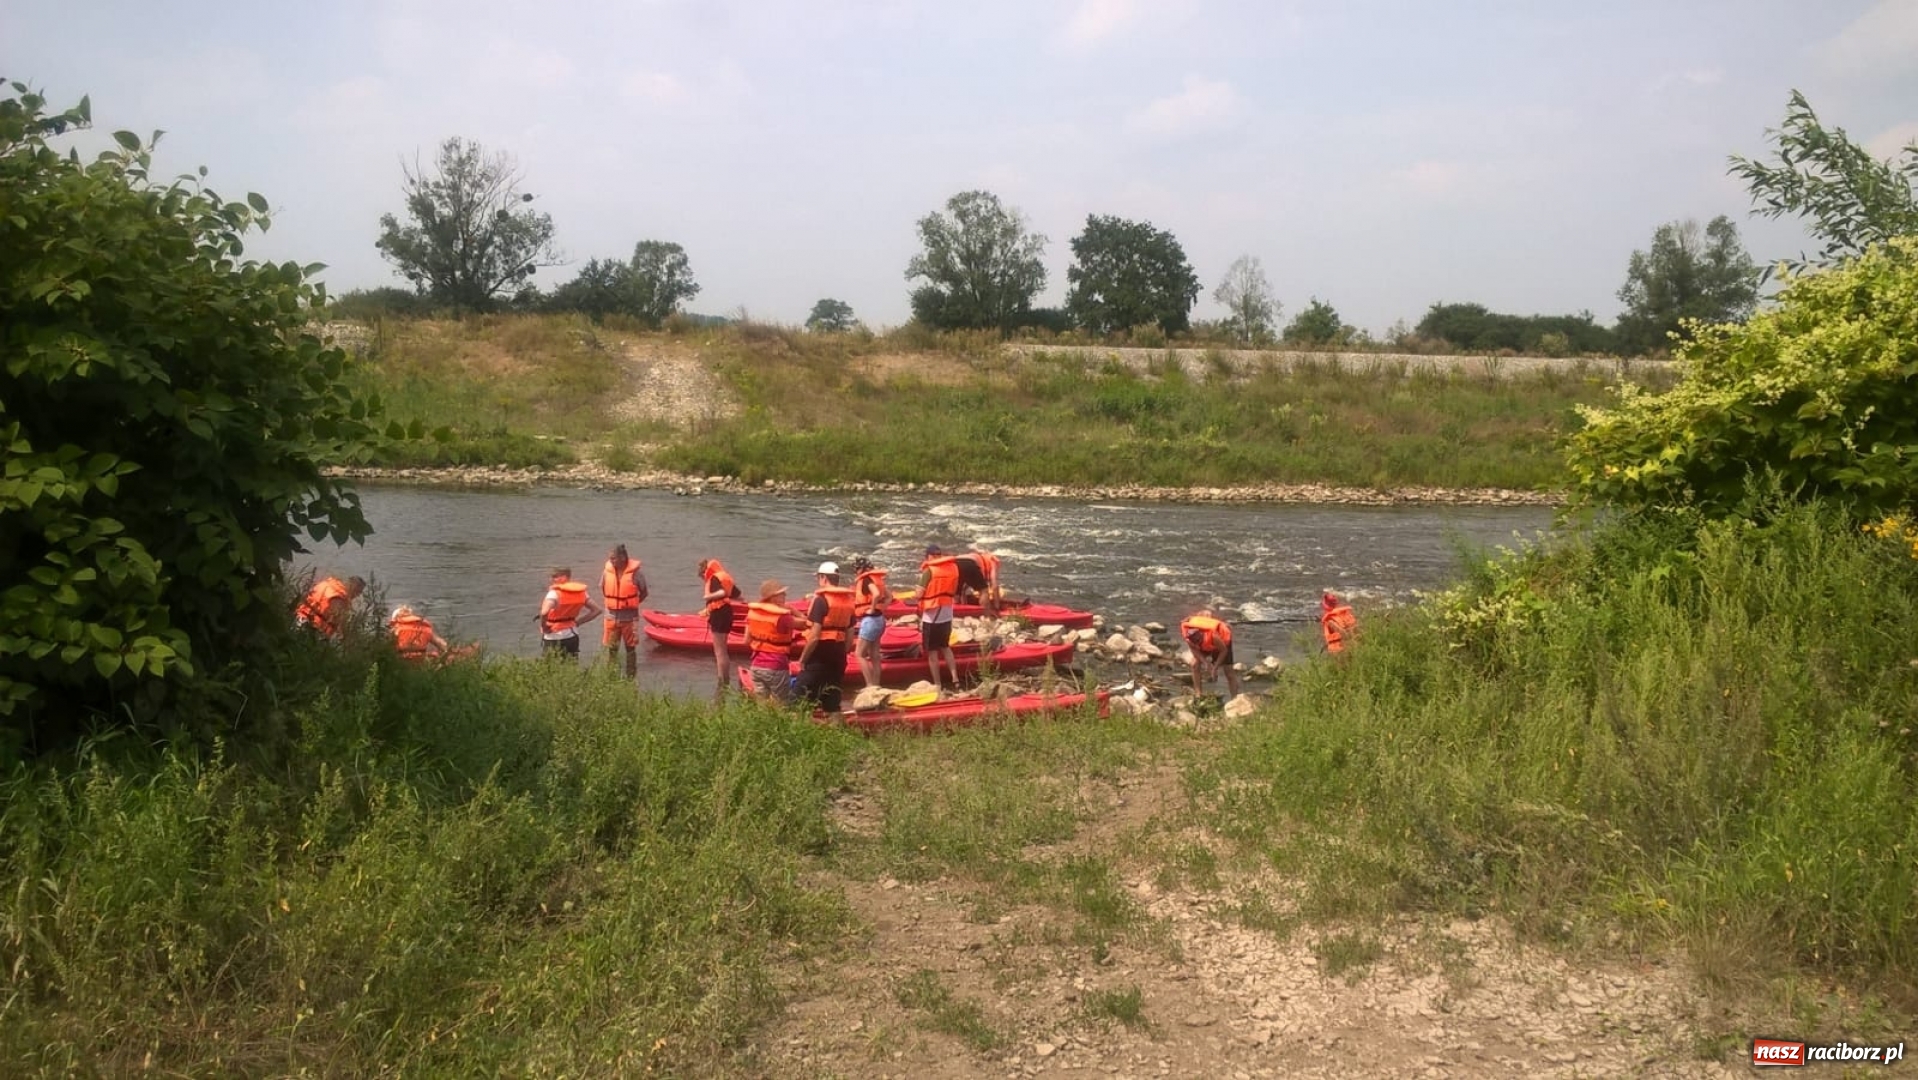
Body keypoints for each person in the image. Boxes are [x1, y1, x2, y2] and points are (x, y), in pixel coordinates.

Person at [795, 562, 855, 712]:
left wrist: (803, 659)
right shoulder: (848, 601)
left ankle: (797, 731)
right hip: (839, 655)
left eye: (819, 578)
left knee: (797, 700)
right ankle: (837, 731)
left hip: (819, 655)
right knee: (832, 703)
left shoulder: (821, 600)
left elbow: (814, 636)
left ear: (823, 578)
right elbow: (850, 636)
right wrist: (842, 654)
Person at [912, 545, 962, 697]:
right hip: (946, 612)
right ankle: (955, 680)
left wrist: (916, 595)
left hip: (931, 616)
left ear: (928, 557)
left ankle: (937, 685)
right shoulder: (952, 567)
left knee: (932, 652)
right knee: (945, 647)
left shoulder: (929, 571)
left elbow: (919, 594)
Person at [743, 580, 801, 701]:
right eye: (782, 594)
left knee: (762, 707)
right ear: (773, 598)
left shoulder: (752, 613)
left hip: (756, 666)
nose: (785, 596)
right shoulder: (783, 617)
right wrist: (793, 610)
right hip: (776, 665)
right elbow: (807, 624)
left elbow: (746, 641)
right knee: (781, 705)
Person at [600, 544, 649, 679]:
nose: (611, 561)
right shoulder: (606, 572)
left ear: (622, 558)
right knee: (612, 649)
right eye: (610, 559)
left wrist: (632, 604)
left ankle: (631, 677)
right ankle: (611, 676)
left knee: (630, 649)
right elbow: (603, 589)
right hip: (611, 617)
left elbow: (644, 592)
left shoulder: (636, 574)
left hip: (630, 618)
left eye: (614, 558)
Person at [698, 557, 742, 698]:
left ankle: (722, 681)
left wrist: (708, 596)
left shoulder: (714, 579)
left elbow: (722, 593)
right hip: (727, 612)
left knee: (719, 652)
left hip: (718, 614)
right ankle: (726, 679)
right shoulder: (724, 577)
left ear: (704, 572)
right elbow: (738, 596)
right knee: (723, 650)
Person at [536, 567, 601, 662]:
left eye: (555, 576)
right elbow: (597, 610)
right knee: (571, 666)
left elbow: (544, 612)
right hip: (572, 636)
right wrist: (578, 622)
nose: (552, 579)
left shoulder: (554, 593)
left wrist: (544, 626)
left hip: (553, 636)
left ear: (564, 577)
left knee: (550, 668)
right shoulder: (581, 593)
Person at [1181, 610, 1243, 697]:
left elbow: (1223, 651)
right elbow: (1194, 650)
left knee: (1228, 671)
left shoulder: (1213, 635)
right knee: (1194, 664)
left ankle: (1235, 698)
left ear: (1202, 634)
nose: (1196, 642)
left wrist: (1215, 668)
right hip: (1206, 644)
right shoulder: (1188, 634)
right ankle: (1198, 694)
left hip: (1222, 644)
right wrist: (1206, 663)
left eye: (1198, 640)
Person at [850, 555, 888, 690]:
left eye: (856, 570)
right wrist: (881, 608)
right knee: (874, 655)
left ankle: (869, 686)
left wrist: (871, 609)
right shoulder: (876, 578)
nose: (856, 572)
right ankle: (877, 685)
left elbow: (876, 594)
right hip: (880, 620)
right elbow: (889, 596)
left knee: (859, 654)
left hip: (871, 621)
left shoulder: (866, 580)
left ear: (862, 569)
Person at [295, 575, 365, 640]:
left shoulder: (327, 584)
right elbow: (337, 617)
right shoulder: (339, 596)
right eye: (357, 591)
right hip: (312, 627)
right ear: (351, 586)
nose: (357, 595)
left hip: (300, 617)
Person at [953, 548, 1002, 616]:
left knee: (958, 591)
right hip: (969, 563)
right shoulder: (993, 561)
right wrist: (997, 606)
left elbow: (965, 586)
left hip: (954, 563)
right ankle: (986, 614)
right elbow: (994, 585)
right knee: (984, 591)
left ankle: (957, 610)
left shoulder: (974, 556)